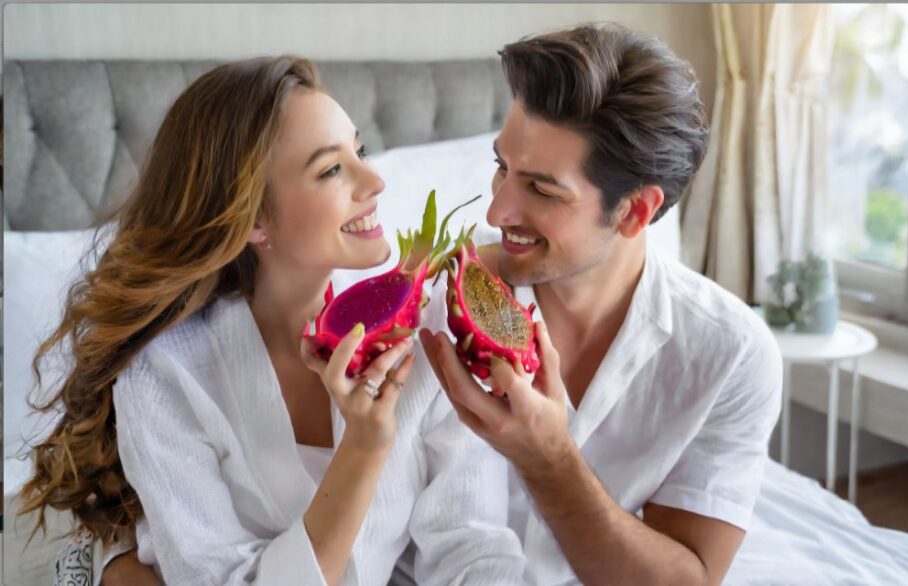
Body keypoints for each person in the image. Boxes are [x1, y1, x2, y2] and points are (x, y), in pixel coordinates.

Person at [20, 56, 525, 586]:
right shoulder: (166, 376)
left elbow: (474, 546)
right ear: (255, 218)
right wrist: (364, 447)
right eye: (331, 169)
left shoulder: (425, 338)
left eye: (361, 151)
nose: (374, 181)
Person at [420, 24, 783, 585]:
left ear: (636, 212)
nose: (496, 213)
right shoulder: (436, 301)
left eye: (541, 190)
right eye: (501, 168)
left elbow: (688, 578)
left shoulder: (731, 353)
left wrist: (551, 461)